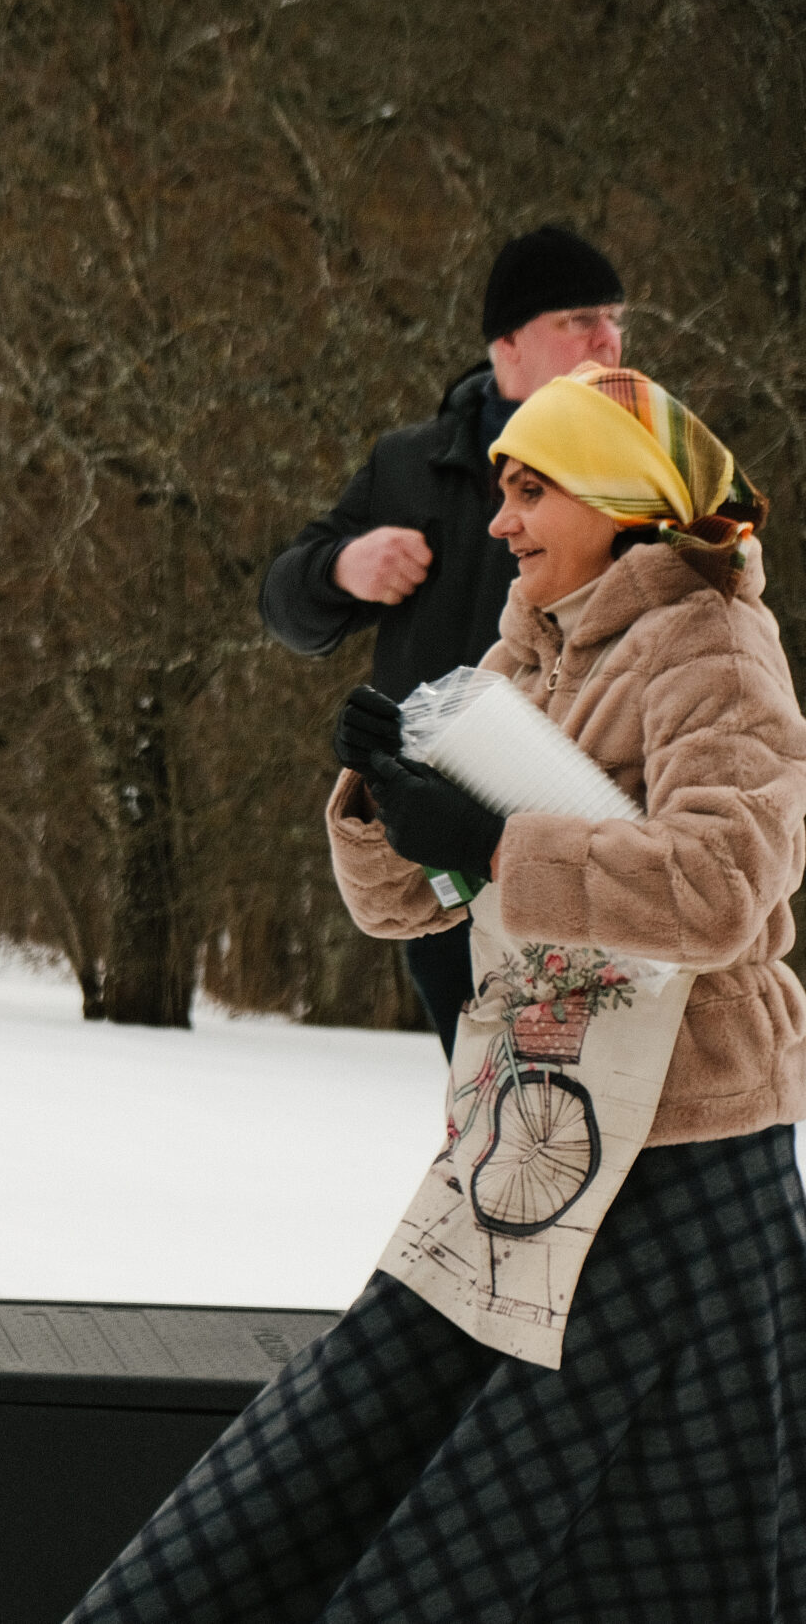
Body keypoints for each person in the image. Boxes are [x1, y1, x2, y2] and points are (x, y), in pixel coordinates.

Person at [74, 364, 806, 1621]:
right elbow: (404, 906)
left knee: (615, 1537)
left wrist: (495, 839)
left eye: (530, 491)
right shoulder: (532, 644)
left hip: (685, 1169)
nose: (500, 521)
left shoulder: (714, 644)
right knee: (341, 1452)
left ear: (616, 495)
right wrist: (383, 805)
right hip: (528, 1136)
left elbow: (719, 888)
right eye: (501, 489)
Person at [261, 226, 627, 1052]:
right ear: (508, 343)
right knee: (492, 1109)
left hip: (584, 858)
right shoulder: (409, 466)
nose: (608, 339)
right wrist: (341, 568)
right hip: (436, 872)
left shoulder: (636, 473)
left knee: (591, 1098)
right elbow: (282, 604)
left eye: (615, 319)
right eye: (580, 319)